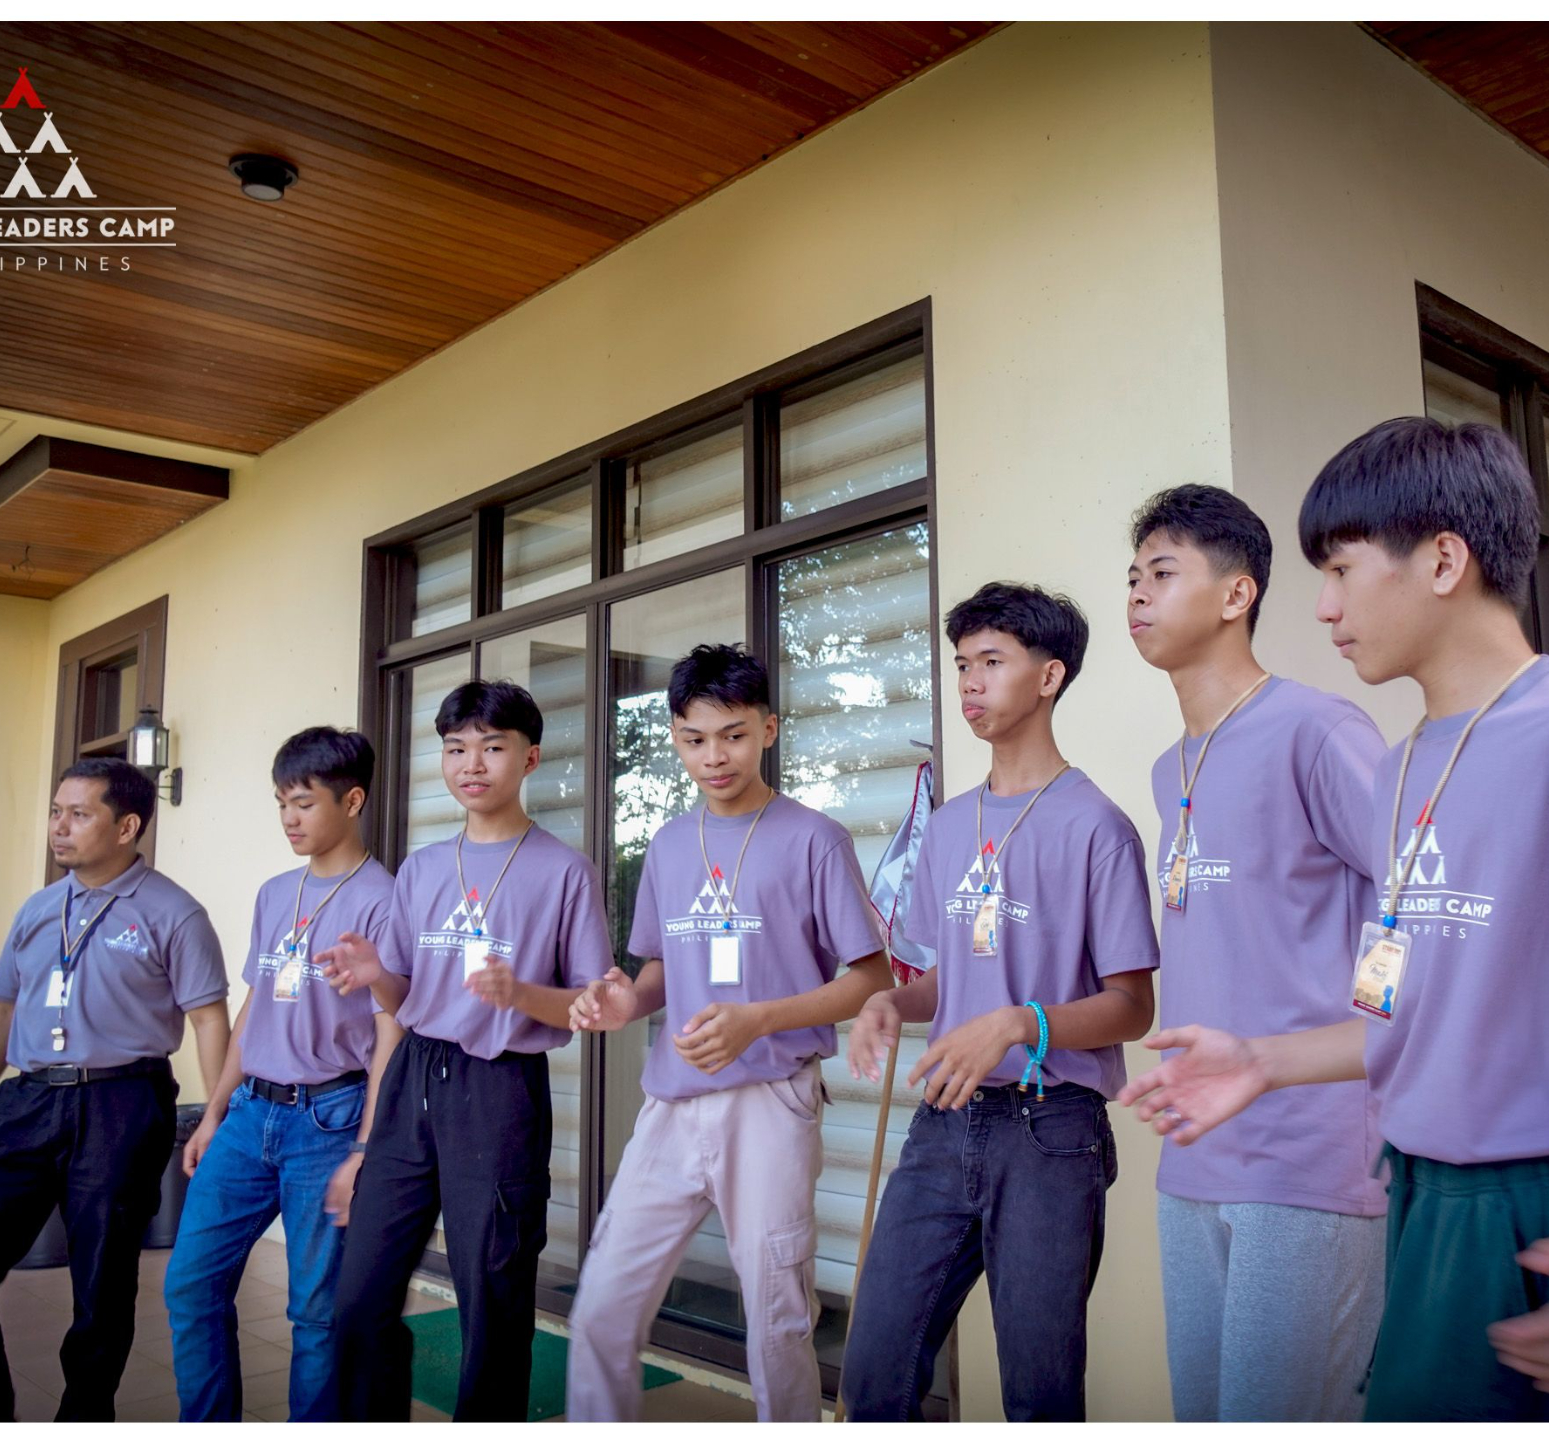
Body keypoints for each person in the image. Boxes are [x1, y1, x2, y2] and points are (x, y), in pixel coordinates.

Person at [1121, 419, 1549, 1420]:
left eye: (1341, 570)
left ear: (1441, 560)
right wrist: (1260, 1061)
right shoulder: (1403, 768)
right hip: (1419, 1193)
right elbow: (1411, 1015)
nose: (1326, 606)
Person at [839, 582, 1159, 1421]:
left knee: (1039, 1395)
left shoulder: (1096, 826)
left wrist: (1024, 1022)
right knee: (873, 1372)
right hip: (943, 1123)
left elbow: (1132, 1006)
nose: (970, 682)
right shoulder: (949, 827)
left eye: (991, 661)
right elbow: (947, 979)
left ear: (1049, 676)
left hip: (1051, 1132)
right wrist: (891, 1004)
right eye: (960, 665)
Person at [563, 644, 890, 1421]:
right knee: (603, 1305)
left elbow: (870, 979)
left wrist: (759, 1020)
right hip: (671, 1103)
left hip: (770, 1101)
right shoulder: (669, 845)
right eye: (694, 738)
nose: (714, 756)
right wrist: (621, 1002)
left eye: (734, 735)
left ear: (768, 729)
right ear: (675, 738)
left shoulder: (814, 839)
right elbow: (658, 972)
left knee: (778, 1322)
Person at [1125, 484, 1388, 1420]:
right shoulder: (1169, 767)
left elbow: (1409, 902)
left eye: (1162, 573)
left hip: (1310, 1154)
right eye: (1132, 577)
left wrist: (1379, 1027)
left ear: (1236, 595)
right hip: (1195, 1154)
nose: (1137, 595)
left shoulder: (1317, 730)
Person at [317, 680, 613, 1421]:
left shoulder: (563, 870)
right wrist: (374, 974)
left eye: (492, 747)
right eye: (455, 749)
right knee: (359, 1298)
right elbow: (401, 997)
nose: (471, 764)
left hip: (500, 1088)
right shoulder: (421, 868)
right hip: (414, 1076)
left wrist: (521, 994)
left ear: (530, 758)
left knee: (492, 1295)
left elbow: (590, 1005)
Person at [0, 758, 230, 1421]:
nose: (59, 827)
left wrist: (214, 1117)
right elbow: (0, 1011)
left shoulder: (174, 912)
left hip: (122, 1103)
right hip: (27, 1101)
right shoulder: (38, 909)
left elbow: (209, 1019)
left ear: (127, 826)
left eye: (79, 814)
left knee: (102, 1287)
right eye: (56, 812)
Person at [164, 727, 404, 1420]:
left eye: (303, 803)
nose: (288, 819)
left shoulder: (385, 900)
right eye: (281, 804)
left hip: (329, 1120)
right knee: (190, 1285)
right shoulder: (276, 893)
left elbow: (392, 1032)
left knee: (316, 1314)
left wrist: (365, 1148)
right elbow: (255, 1006)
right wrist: (214, 1110)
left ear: (352, 801)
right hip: (249, 1116)